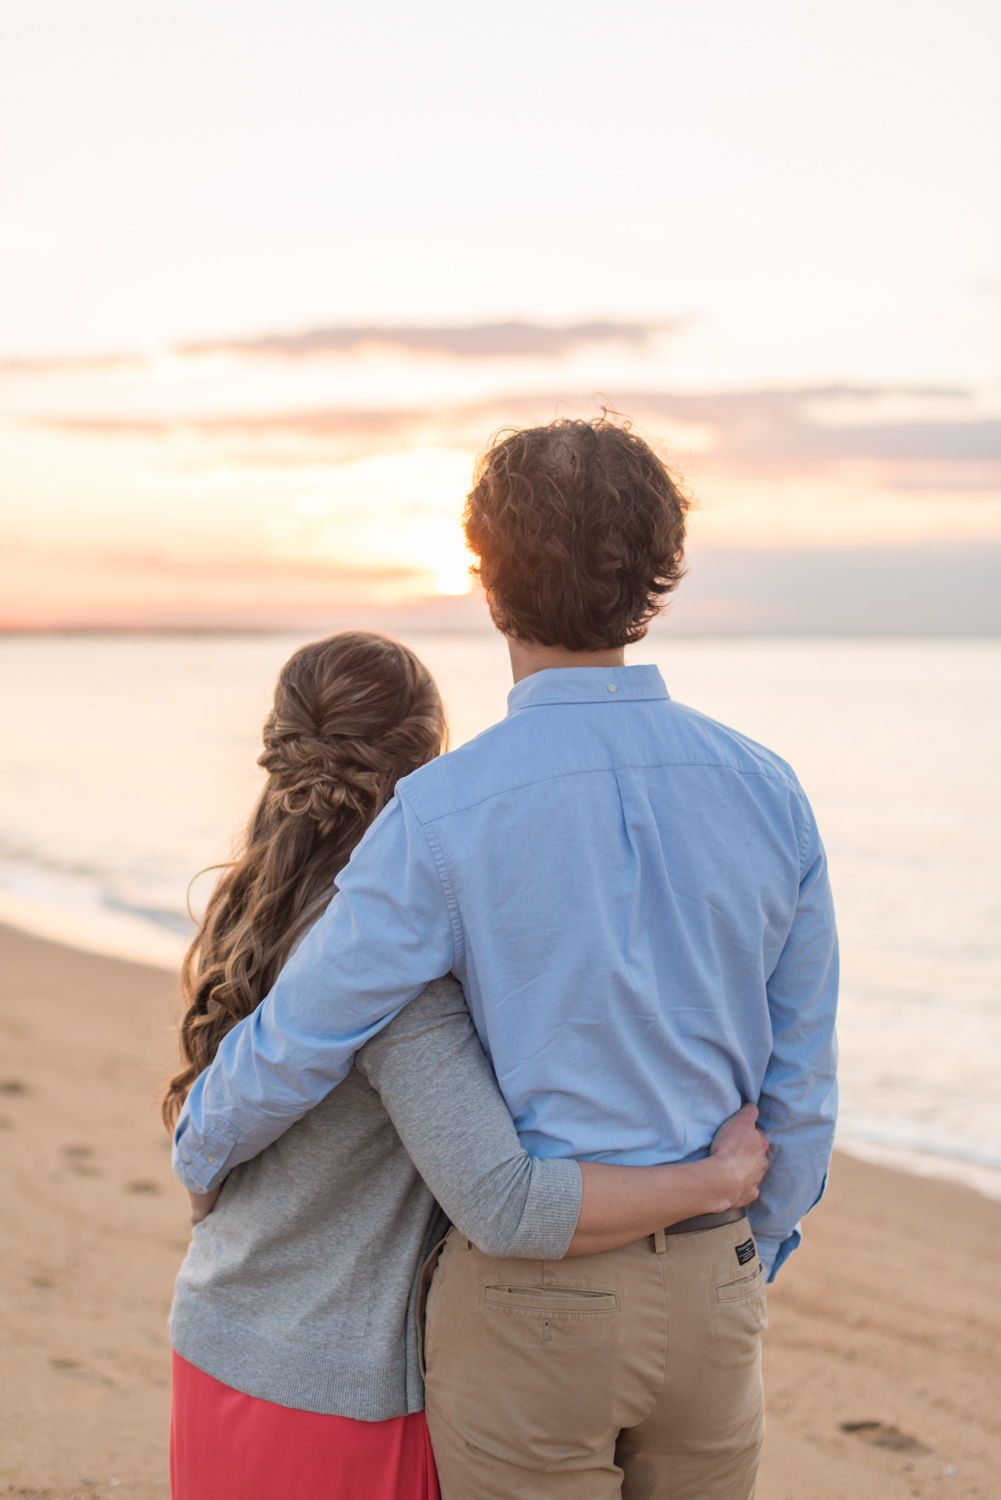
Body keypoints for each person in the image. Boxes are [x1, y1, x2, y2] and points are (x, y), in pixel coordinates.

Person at [172, 417, 839, 1499]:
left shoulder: (441, 815)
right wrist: (754, 1238)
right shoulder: (767, 789)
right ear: (657, 578)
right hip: (715, 1286)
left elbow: (310, 1027)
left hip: (536, 1299)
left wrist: (204, 1143)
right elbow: (800, 1076)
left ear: (487, 585)